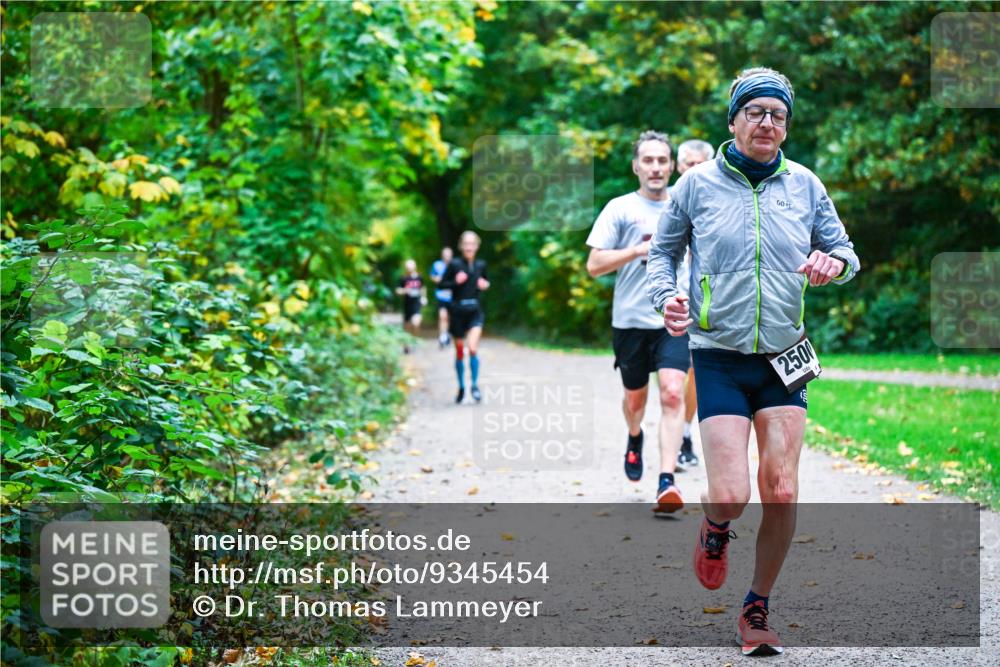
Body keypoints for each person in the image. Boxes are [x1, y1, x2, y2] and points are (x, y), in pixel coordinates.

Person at [647, 67, 860, 657]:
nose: (768, 123)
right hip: (717, 356)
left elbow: (846, 252)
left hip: (784, 357)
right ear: (734, 120)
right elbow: (662, 253)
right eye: (757, 112)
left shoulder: (806, 185)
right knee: (733, 493)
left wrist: (832, 265)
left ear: (787, 125)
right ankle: (716, 529)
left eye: (779, 115)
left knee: (783, 488)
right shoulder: (697, 186)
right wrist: (667, 297)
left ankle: (756, 606)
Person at [586, 130, 689, 513]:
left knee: (673, 392)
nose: (656, 167)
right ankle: (634, 435)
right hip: (630, 320)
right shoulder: (620, 208)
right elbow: (594, 265)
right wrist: (636, 250)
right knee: (635, 398)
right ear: (636, 167)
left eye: (663, 160)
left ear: (672, 165)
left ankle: (666, 481)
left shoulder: (686, 204)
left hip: (674, 317)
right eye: (648, 160)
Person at [671, 139, 716, 469]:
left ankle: (683, 433)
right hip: (663, 304)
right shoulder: (667, 201)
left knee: (691, 373)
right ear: (678, 166)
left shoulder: (720, 202)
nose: (696, 171)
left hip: (700, 307)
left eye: (702, 164)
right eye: (690, 165)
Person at [439, 231, 489, 404]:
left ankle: (474, 385)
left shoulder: (481, 265)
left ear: (477, 246)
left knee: (473, 348)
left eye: (472, 244)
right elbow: (441, 284)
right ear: (461, 246)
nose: (469, 247)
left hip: (474, 309)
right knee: (460, 351)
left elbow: (486, 281)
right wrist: (455, 282)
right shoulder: (454, 264)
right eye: (466, 244)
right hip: (457, 310)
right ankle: (461, 387)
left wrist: (484, 285)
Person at [395, 259, 426, 354]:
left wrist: (424, 297)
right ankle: (406, 345)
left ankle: (414, 340)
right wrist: (404, 291)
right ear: (406, 268)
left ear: (415, 266)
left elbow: (423, 287)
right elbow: (397, 290)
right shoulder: (403, 278)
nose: (409, 268)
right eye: (408, 266)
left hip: (417, 304)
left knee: (416, 323)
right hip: (407, 305)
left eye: (411, 266)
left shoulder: (419, 277)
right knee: (407, 327)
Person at [430, 247, 454, 348]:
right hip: (441, 295)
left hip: (453, 295)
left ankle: (447, 334)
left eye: (449, 254)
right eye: (445, 254)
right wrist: (438, 279)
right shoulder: (437, 265)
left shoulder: (455, 265)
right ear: (442, 255)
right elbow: (432, 276)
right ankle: (442, 336)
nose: (447, 256)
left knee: (450, 317)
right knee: (442, 316)